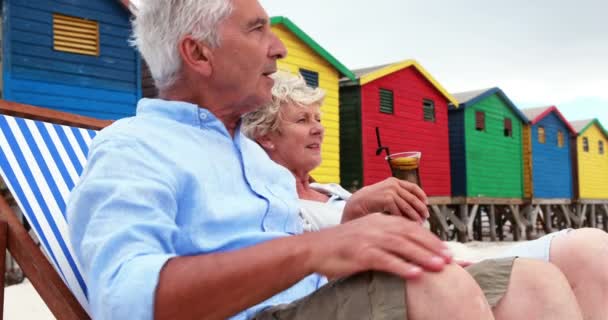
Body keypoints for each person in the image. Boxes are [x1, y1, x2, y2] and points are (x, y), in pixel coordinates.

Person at [67, 1, 516, 319]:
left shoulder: (252, 156)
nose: (278, 47)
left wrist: (348, 224)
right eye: (256, 29)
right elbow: (123, 303)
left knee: (531, 282)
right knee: (434, 284)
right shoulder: (135, 147)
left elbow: (303, 247)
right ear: (199, 53)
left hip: (312, 303)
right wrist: (313, 250)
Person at [242, 70, 608, 320]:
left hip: (445, 254)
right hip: (416, 273)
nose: (319, 129)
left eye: (319, 119)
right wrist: (355, 218)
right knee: (528, 280)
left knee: (591, 246)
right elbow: (309, 275)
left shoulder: (331, 190)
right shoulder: (272, 202)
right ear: (266, 136)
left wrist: (402, 220)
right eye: (303, 120)